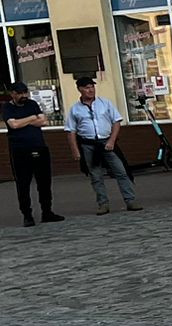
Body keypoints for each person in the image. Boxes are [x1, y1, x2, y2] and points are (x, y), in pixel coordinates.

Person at [65, 77, 139, 214]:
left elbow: (116, 122)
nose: (90, 90)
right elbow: (71, 131)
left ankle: (130, 200)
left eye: (92, 87)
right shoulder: (75, 109)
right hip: (88, 145)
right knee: (96, 176)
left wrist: (112, 141)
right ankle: (103, 204)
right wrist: (75, 150)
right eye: (87, 87)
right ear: (80, 89)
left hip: (106, 143)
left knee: (121, 171)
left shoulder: (105, 103)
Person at [5, 81, 63, 227]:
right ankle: (27, 215)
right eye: (19, 93)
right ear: (12, 94)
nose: (23, 95)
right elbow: (13, 125)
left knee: (44, 182)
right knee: (23, 184)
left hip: (39, 146)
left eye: (25, 92)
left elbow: (43, 121)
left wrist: (24, 121)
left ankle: (47, 212)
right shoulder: (7, 107)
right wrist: (32, 118)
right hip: (20, 150)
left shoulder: (32, 104)